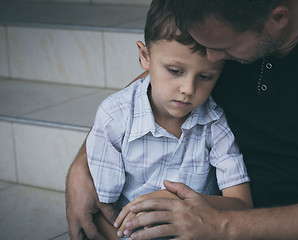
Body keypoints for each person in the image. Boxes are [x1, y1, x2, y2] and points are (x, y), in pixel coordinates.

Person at [66, 0, 298, 239]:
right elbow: (151, 82)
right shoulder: (217, 25)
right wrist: (82, 166)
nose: (210, 57)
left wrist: (220, 225)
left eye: (223, 48)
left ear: (277, 19)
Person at [73, 1, 253, 239]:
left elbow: (241, 205)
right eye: (175, 71)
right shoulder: (114, 116)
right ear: (145, 57)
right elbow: (102, 210)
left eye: (206, 76)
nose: (188, 89)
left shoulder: (214, 122)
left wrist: (186, 202)